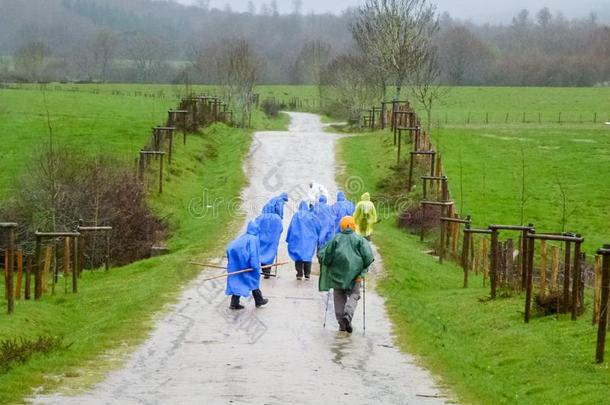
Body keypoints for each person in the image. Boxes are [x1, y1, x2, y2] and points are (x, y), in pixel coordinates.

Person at [318, 216, 374, 333]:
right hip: (356, 275)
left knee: (338, 296)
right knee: (354, 294)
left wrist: (327, 263)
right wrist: (363, 267)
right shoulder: (360, 240)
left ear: (341, 226)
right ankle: (347, 316)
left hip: (337, 275)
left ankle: (341, 323)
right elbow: (369, 257)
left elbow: (326, 256)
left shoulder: (335, 239)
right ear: (354, 226)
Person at [225, 221, 269, 310]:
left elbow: (231, 247)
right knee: (253, 280)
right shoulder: (253, 239)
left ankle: (234, 303)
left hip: (237, 263)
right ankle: (259, 300)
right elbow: (254, 254)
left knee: (239, 281)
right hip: (246, 264)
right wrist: (255, 266)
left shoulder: (243, 237)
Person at [286, 201, 322, 280]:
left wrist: (288, 238)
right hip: (310, 240)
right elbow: (318, 226)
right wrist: (319, 236)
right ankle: (307, 274)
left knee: (298, 256)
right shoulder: (311, 216)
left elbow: (291, 227)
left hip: (298, 239)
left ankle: (299, 273)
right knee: (308, 256)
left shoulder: (296, 215)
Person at [255, 204, 283, 279]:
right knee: (270, 255)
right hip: (272, 240)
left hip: (261, 240)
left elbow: (255, 227)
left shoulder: (260, 217)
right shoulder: (277, 218)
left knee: (262, 254)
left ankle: (264, 271)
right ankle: (267, 271)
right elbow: (281, 229)